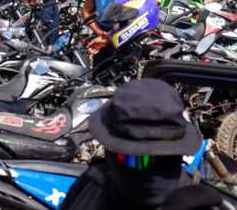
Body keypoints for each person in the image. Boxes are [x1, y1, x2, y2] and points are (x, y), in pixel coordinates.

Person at [61, 79, 219, 210]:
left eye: (166, 160)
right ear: (110, 153)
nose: (152, 176)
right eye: (137, 160)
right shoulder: (92, 186)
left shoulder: (197, 204)